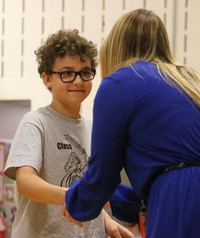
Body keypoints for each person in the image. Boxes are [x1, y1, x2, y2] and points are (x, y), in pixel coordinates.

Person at [64, 8, 200, 238]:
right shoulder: (189, 80)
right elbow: (161, 178)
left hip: (180, 197)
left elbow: (103, 172)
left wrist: (77, 203)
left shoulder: (121, 82)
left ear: (114, 49)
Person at [4, 29, 134, 238]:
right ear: (47, 78)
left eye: (85, 72)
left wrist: (106, 220)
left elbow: (90, 185)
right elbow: (26, 182)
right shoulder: (35, 122)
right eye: (66, 73)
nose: (78, 81)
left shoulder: (95, 127)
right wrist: (75, 197)